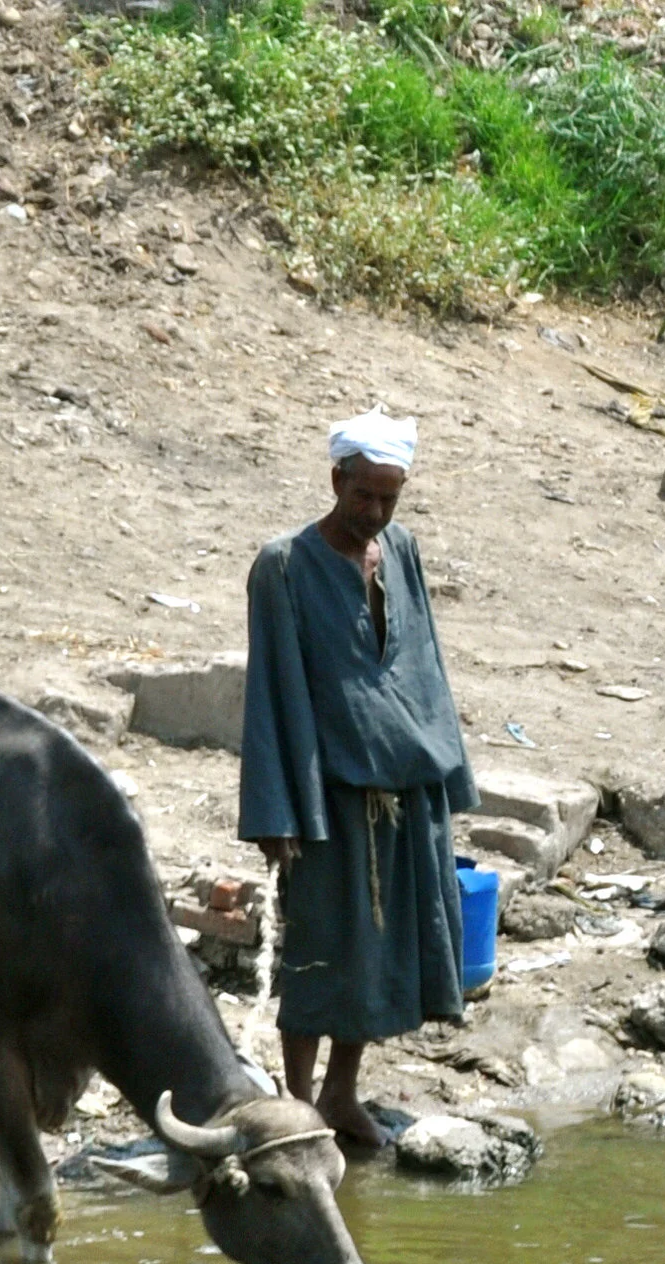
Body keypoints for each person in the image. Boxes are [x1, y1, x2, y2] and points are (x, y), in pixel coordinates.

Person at [238, 412, 478, 1147]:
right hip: (327, 794)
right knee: (321, 951)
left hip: (403, 785)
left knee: (376, 950)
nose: (374, 512)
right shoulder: (281, 566)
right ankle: (298, 1099)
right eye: (364, 495)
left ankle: (342, 1093)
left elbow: (423, 664)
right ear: (336, 479)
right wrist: (277, 809)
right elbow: (272, 694)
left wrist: (446, 775)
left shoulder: (399, 550)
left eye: (388, 497)